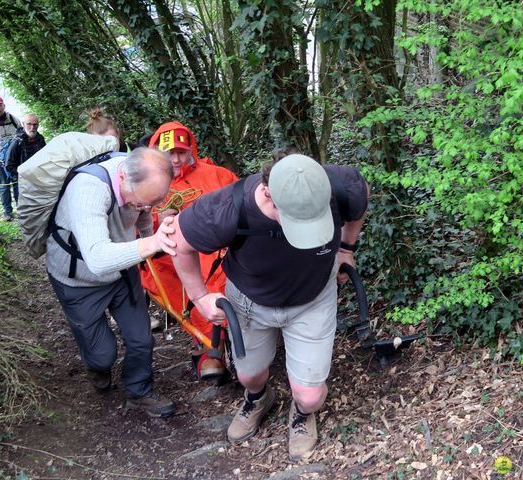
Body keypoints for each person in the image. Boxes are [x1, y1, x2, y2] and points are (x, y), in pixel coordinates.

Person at [169, 153, 369, 458]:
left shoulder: (340, 188)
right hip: (250, 299)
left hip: (312, 298)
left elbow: (360, 200)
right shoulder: (228, 207)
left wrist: (346, 248)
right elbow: (180, 240)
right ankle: (258, 397)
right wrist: (199, 297)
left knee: (312, 396)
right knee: (249, 376)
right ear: (267, 192)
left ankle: (302, 413)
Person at [46, 139, 178, 418]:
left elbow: (143, 213)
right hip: (78, 279)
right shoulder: (87, 190)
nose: (146, 206)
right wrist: (152, 243)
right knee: (102, 355)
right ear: (122, 177)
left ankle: (139, 392)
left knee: (141, 339)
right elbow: (97, 259)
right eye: (142, 200)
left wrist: (147, 230)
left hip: (122, 269)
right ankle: (96, 365)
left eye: (153, 201)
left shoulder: (138, 185)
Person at [139, 121, 238, 379]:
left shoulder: (217, 175)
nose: (175, 159)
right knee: (183, 278)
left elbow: (241, 205)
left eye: (181, 152)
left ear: (191, 150)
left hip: (219, 248)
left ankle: (232, 343)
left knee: (217, 271)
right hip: (170, 255)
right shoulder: (146, 181)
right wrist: (159, 222)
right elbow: (135, 230)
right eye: (169, 152)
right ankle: (208, 345)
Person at [5, 114, 46, 178]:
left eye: (35, 124)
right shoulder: (17, 141)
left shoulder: (40, 138)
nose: (32, 127)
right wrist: (22, 176)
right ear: (23, 124)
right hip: (22, 179)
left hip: (37, 177)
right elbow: (9, 166)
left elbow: (44, 158)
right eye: (29, 124)